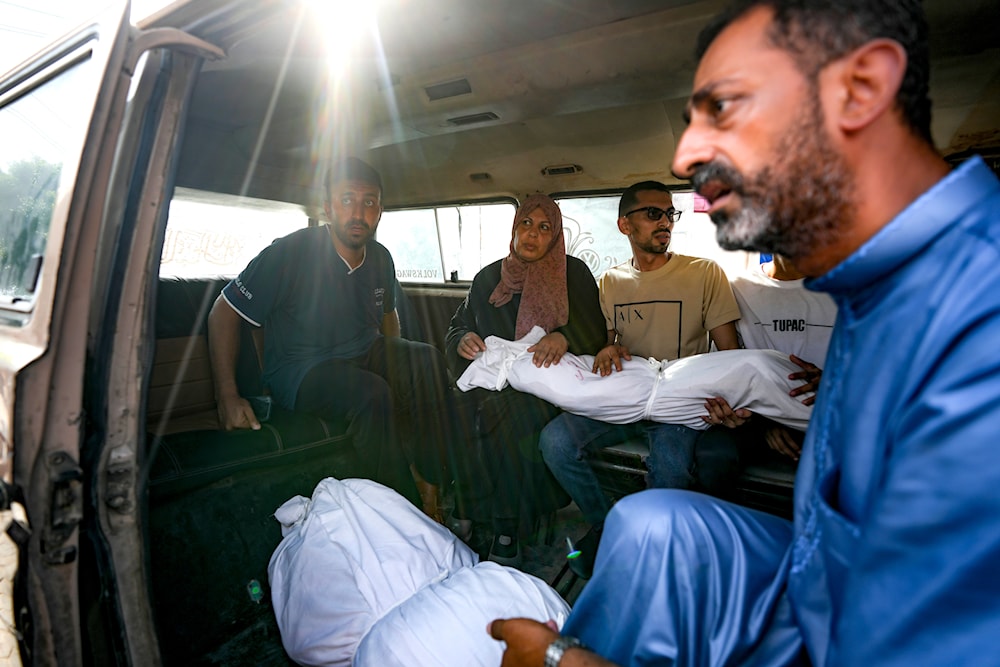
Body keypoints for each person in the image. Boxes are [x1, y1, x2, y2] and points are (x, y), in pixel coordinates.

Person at [490, 0, 1000, 665]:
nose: (688, 155)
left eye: (725, 109)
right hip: (816, 574)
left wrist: (575, 664)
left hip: (842, 620)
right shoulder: (881, 290)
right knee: (646, 524)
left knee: (662, 492)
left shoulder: (969, 321)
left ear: (863, 88)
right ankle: (606, 530)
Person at [207, 156, 455, 519]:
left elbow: (389, 318)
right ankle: (407, 517)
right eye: (347, 199)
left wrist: (397, 362)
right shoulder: (289, 253)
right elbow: (223, 311)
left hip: (363, 352)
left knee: (428, 360)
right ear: (328, 207)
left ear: (380, 210)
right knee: (372, 394)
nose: (358, 212)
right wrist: (227, 396)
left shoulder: (380, 258)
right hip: (302, 369)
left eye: (369, 202)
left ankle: (432, 486)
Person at [538, 180, 741, 578]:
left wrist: (729, 396)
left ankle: (653, 554)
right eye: (652, 213)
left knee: (671, 467)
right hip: (625, 398)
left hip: (680, 402)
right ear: (624, 226)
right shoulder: (611, 282)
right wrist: (606, 350)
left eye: (669, 213)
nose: (664, 222)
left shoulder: (703, 272)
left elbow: (731, 354)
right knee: (555, 442)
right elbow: (608, 345)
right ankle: (611, 524)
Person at [445, 194, 606, 565]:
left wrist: (564, 337)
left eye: (544, 227)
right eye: (525, 224)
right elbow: (459, 324)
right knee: (453, 407)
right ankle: (466, 504)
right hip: (491, 380)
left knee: (510, 415)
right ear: (514, 229)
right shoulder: (489, 276)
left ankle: (506, 525)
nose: (532, 235)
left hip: (544, 385)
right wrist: (461, 340)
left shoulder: (573, 273)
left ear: (556, 235)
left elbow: (595, 329)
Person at [703, 253, 837, 462]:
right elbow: (729, 371)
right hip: (759, 419)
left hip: (831, 416)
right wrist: (761, 421)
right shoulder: (737, 288)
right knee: (713, 453)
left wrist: (838, 381)